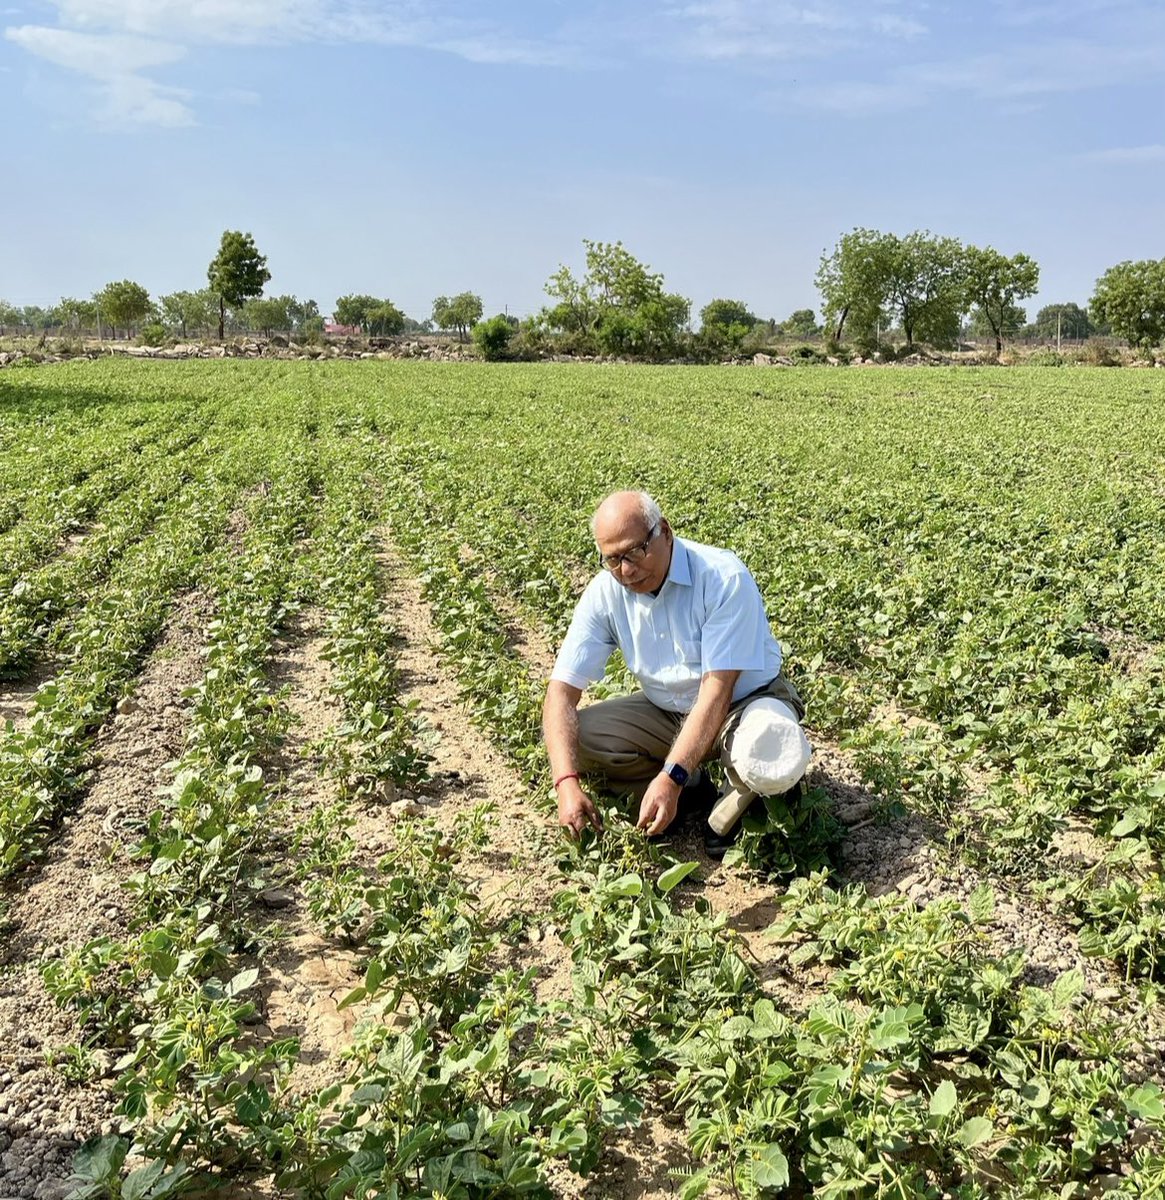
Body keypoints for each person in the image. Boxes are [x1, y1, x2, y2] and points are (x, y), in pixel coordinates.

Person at [542, 490, 812, 858]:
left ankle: (737, 802)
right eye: (613, 559)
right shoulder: (606, 593)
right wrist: (566, 784)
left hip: (743, 704)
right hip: (667, 711)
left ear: (664, 532)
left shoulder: (721, 577)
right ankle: (697, 789)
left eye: (635, 551)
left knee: (773, 749)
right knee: (579, 738)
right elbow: (561, 693)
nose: (627, 570)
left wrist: (671, 777)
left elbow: (717, 692)